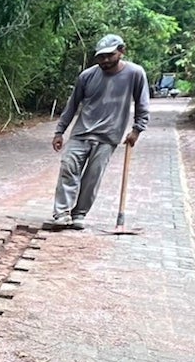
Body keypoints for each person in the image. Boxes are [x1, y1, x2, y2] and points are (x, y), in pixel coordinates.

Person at [51, 34, 150, 230]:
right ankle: (62, 212)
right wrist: (59, 131)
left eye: (109, 55)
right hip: (81, 133)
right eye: (100, 57)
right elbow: (72, 106)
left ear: (121, 51)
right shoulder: (87, 76)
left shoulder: (135, 73)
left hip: (108, 137)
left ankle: (79, 213)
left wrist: (137, 130)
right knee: (68, 169)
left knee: (92, 177)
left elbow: (142, 104)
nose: (105, 60)